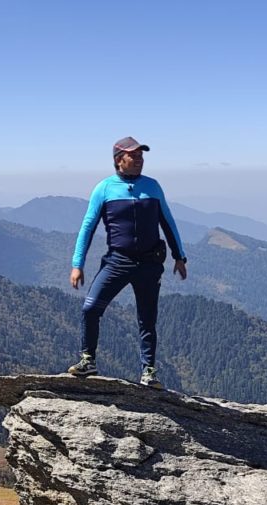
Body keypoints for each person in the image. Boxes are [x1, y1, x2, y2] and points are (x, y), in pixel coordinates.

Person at [67, 136, 187, 389]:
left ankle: (149, 373)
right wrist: (77, 264)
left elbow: (168, 222)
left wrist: (180, 257)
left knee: (147, 319)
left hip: (149, 262)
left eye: (142, 156)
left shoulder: (152, 187)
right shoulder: (104, 188)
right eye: (134, 156)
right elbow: (87, 227)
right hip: (117, 261)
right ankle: (88, 360)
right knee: (90, 308)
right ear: (119, 160)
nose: (140, 161)